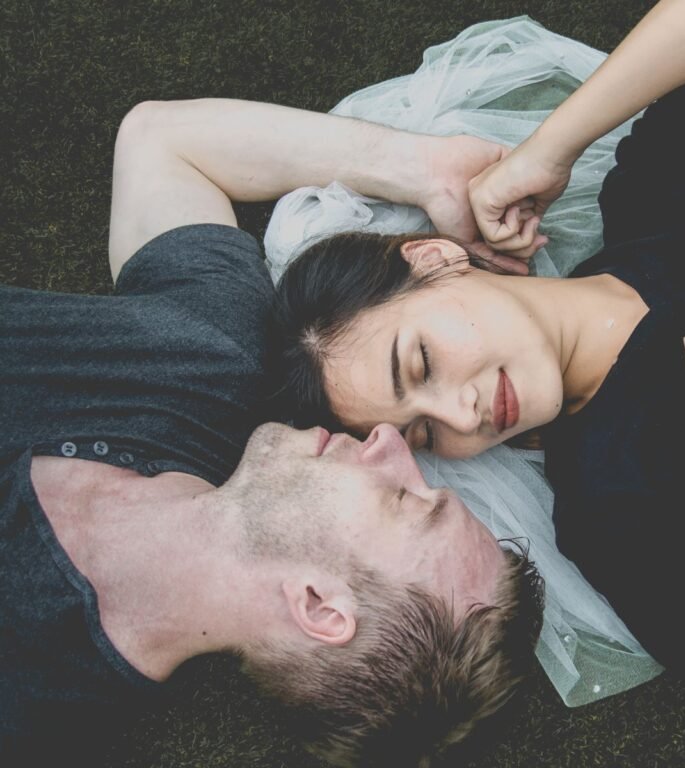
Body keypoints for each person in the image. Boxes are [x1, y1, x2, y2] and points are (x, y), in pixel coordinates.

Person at [0, 97, 545, 766]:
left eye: (404, 499)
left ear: (319, 605)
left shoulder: (24, 699)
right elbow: (162, 140)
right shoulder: (215, 366)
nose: (390, 445)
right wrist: (425, 167)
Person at [273, 0, 685, 728]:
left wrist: (550, 148)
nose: (460, 415)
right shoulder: (616, 508)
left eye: (422, 363)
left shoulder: (660, 191)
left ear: (437, 258)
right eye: (422, 435)